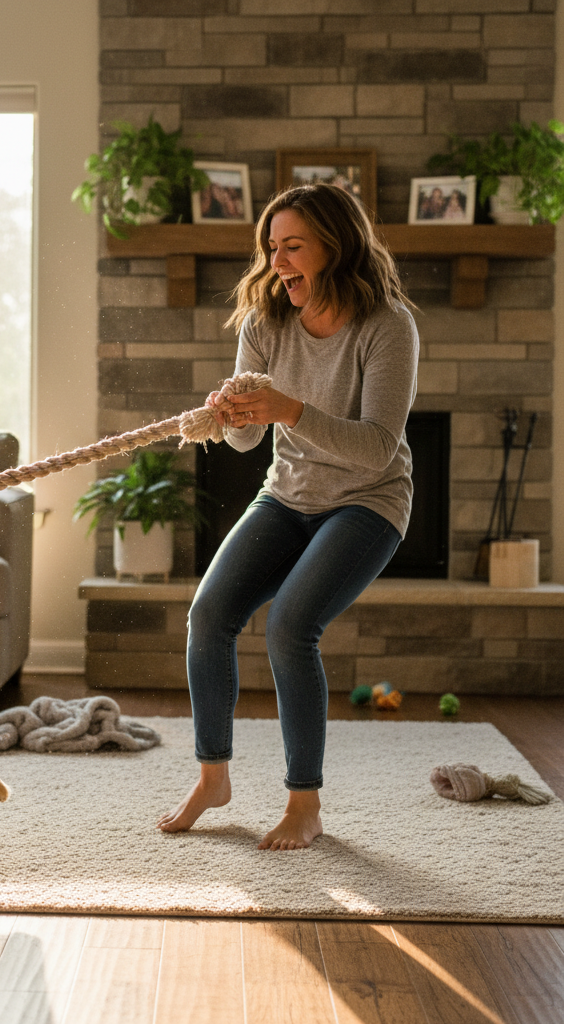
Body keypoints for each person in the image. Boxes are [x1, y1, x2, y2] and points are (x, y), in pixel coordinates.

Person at [157, 183, 419, 850]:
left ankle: (305, 803)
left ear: (336, 245)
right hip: (288, 495)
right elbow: (247, 443)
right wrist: (233, 412)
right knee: (209, 615)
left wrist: (288, 410)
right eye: (272, 248)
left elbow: (377, 447)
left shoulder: (387, 325)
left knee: (291, 626)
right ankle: (213, 775)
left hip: (368, 501)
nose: (278, 262)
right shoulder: (264, 323)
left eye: (293, 246)